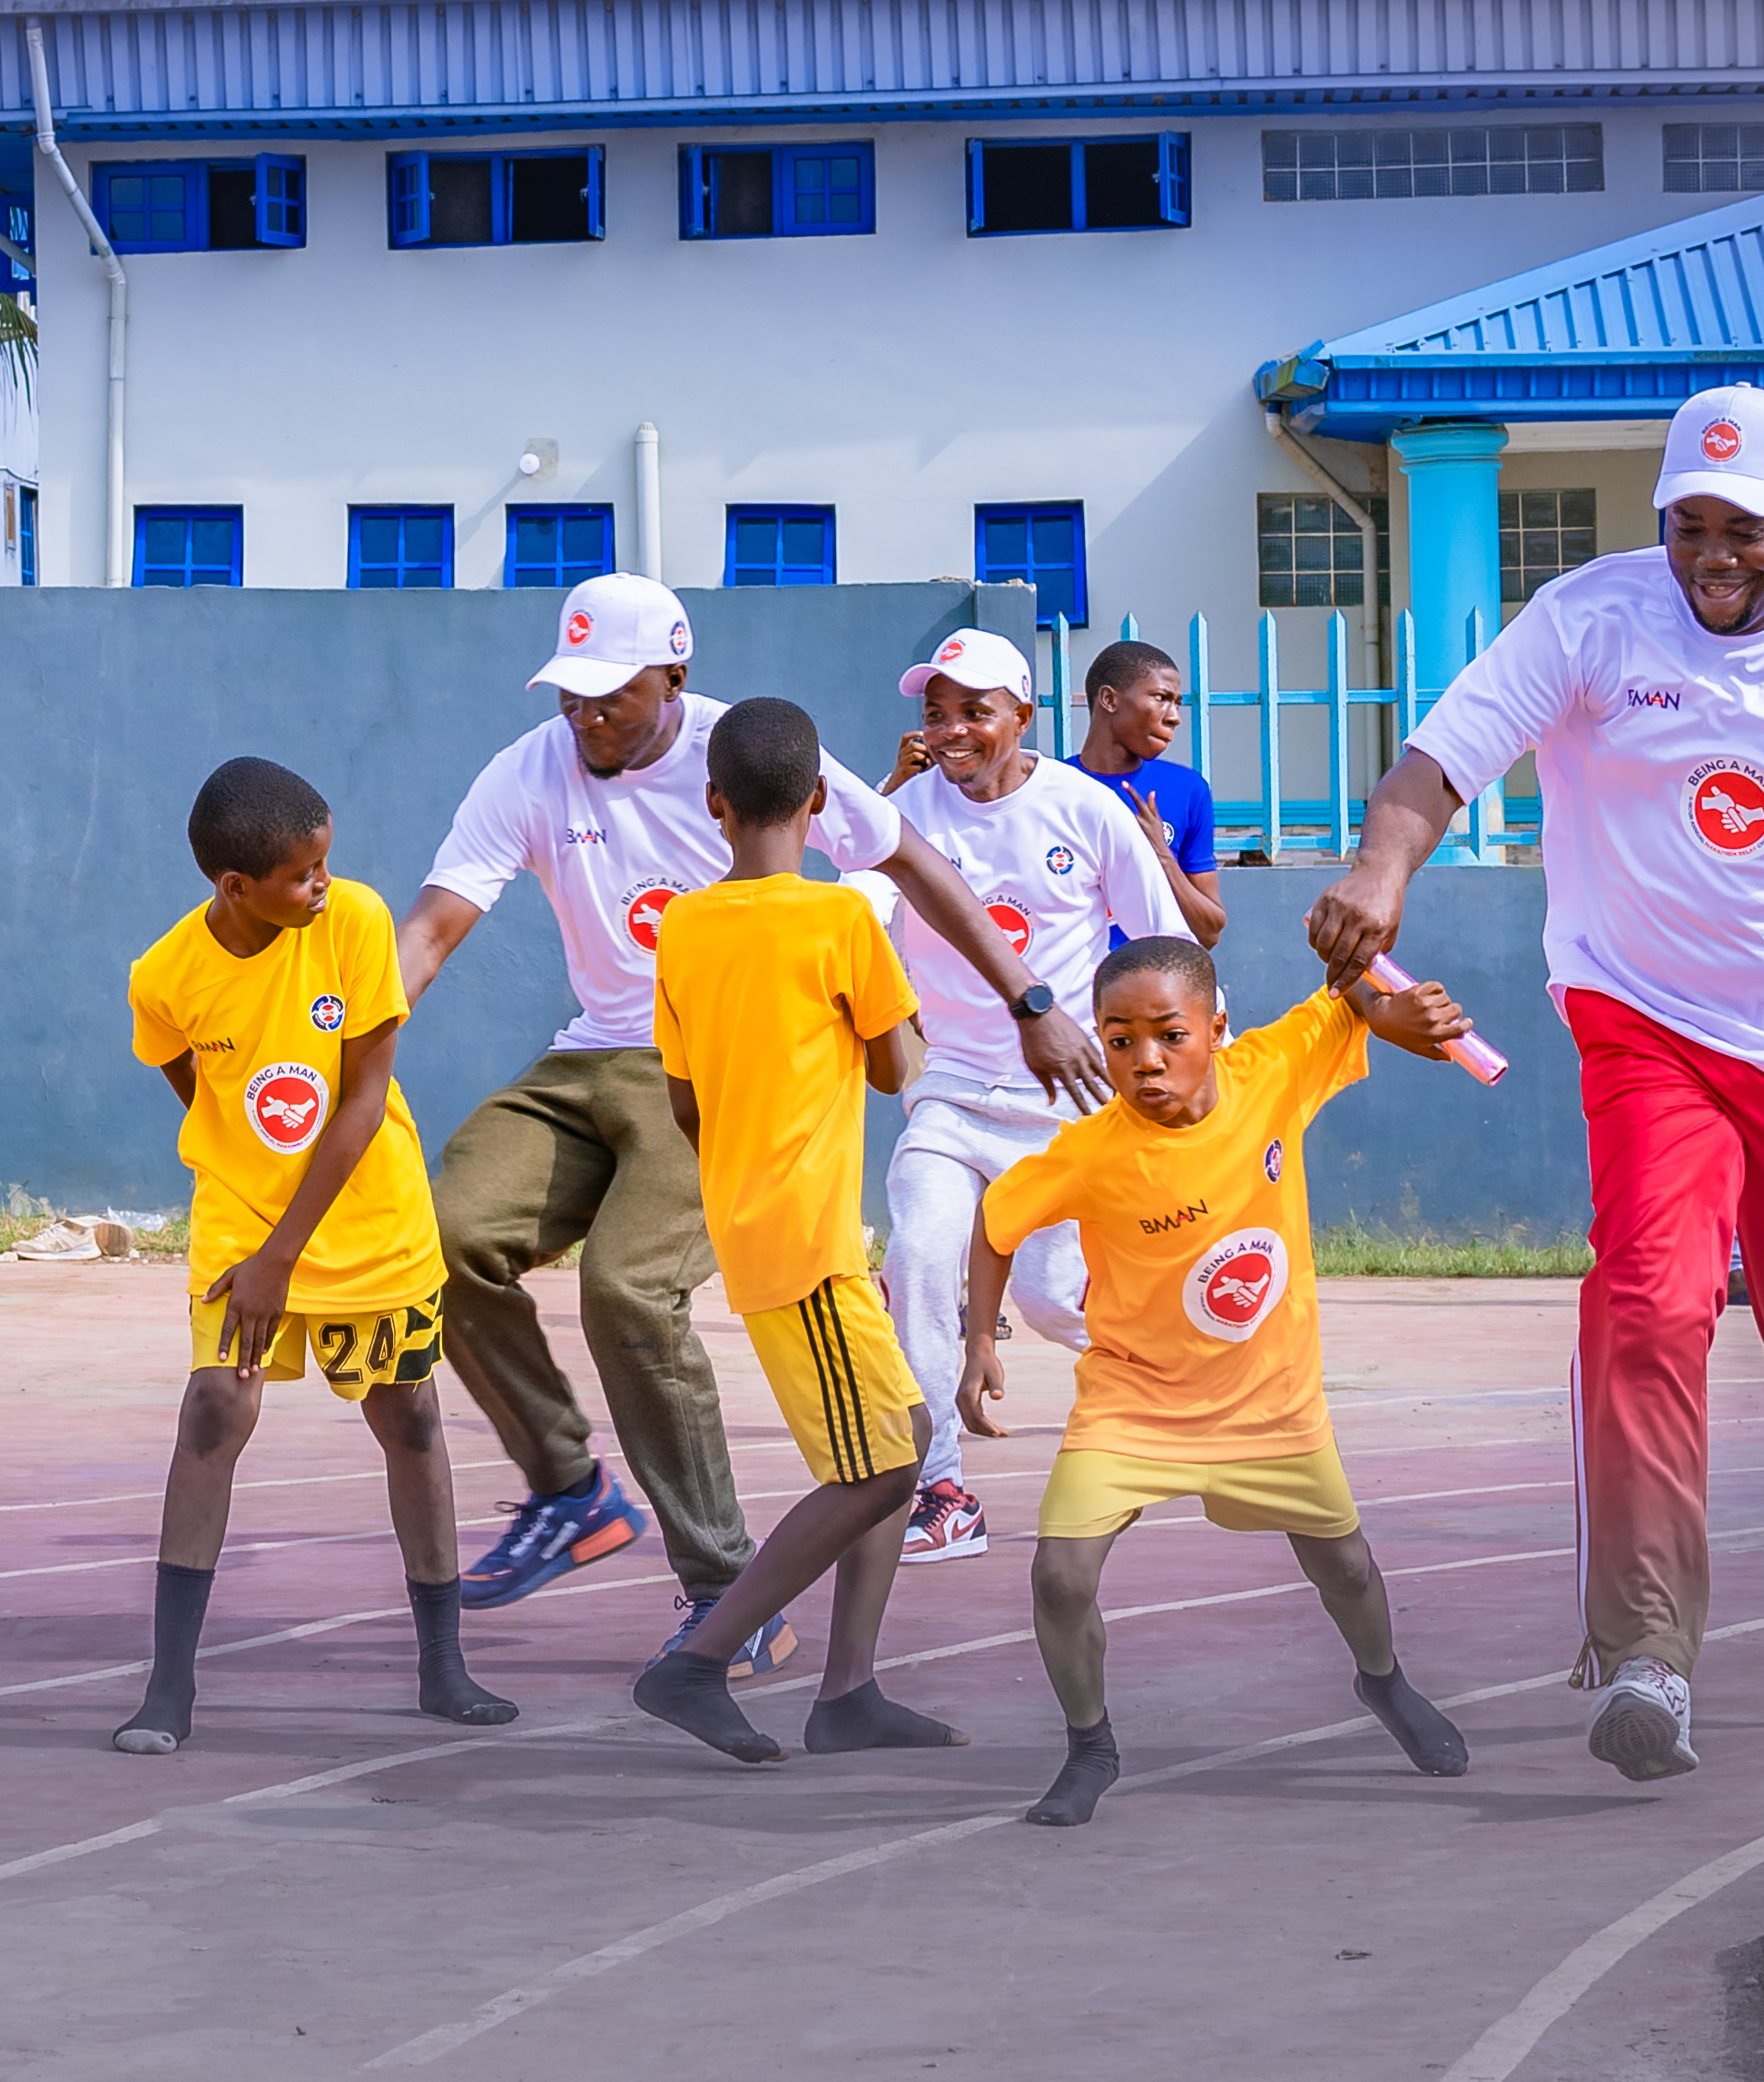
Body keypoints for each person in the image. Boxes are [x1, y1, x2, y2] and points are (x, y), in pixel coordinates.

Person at [1304, 383, 1764, 1783]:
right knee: (1648, 1301)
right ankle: (1646, 1650)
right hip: (1644, 1018)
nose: (1714, 556)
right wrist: (1379, 870)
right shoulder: (1589, 618)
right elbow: (1439, 760)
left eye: (1746, 531)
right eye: (1690, 525)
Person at [399, 575, 1111, 1680]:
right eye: (570, 695)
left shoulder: (754, 756)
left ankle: (725, 1590)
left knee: (628, 1289)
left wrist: (1031, 1002)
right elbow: (434, 927)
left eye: (612, 696)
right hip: (594, 1051)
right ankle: (568, 1488)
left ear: (674, 680)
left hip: (712, 1071)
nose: (585, 717)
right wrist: (347, 1057)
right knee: (439, 1234)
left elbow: (912, 867)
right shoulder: (530, 768)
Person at [961, 936, 1476, 1825]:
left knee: (1346, 1567)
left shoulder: (1270, 1069)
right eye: (1119, 1040)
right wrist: (980, 1338)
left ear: (1216, 1027)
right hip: (1135, 1400)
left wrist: (1410, 1016)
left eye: (1168, 1034)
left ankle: (1384, 1681)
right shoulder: (1089, 1151)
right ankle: (1091, 1745)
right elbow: (997, 1224)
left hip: (1268, 1395)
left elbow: (1351, 997)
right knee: (1059, 1576)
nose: (1145, 1060)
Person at [113, 758, 516, 1754]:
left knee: (409, 1417)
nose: (322, 882)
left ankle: (443, 1662)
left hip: (369, 1216)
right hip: (244, 1223)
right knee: (216, 1406)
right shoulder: (165, 975)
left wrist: (283, 1255)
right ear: (236, 887)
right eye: (302, 874)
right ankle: (170, 1685)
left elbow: (363, 1097)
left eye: (325, 862)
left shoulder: (359, 921)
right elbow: (192, 1080)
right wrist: (259, 1228)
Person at [630, 698, 962, 1765]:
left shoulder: (682, 926)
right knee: (881, 1472)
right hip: (804, 1231)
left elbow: (684, 1100)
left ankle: (849, 1690)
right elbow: (897, 1064)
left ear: (715, 803)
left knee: (898, 1434)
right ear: (821, 802)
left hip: (753, 1215)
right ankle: (699, 1657)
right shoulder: (842, 922)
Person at [872, 627, 1186, 1564]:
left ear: (1023, 716)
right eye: (937, 711)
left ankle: (1181, 1386)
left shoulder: (1086, 810)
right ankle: (943, 1487)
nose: (953, 728)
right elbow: (848, 915)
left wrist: (1195, 1069)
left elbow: (1165, 940)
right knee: (922, 1259)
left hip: (1067, 1101)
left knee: (1057, 1302)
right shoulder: (903, 817)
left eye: (975, 710)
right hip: (952, 1094)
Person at [1072, 640, 1227, 946]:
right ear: (1109, 699)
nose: (1174, 717)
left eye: (1177, 703)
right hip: (1071, 988)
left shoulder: (1187, 790)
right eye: (1161, 698)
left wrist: (1160, 853)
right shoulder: (1055, 788)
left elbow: (1209, 933)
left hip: (1155, 985)